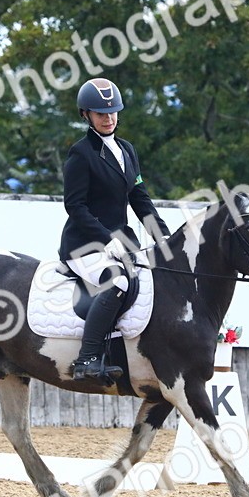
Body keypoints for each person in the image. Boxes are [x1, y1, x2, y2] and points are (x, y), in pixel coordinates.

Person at [59, 77, 171, 383]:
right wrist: (105, 239)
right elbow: (75, 207)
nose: (108, 118)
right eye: (100, 113)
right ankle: (88, 358)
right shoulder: (81, 154)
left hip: (122, 242)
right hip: (84, 244)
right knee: (118, 282)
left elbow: (140, 199)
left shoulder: (127, 150)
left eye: (113, 112)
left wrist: (164, 238)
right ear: (86, 114)